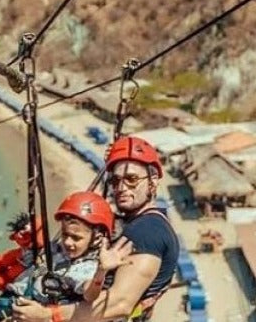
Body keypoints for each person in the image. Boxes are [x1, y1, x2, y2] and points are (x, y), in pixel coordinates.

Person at [11, 136, 179, 322]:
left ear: (153, 181)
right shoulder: (142, 223)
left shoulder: (147, 231)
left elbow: (119, 304)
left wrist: (48, 315)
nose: (121, 188)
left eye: (132, 179)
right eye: (115, 181)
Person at [0, 191, 132, 322]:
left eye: (77, 238)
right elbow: (33, 247)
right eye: (65, 234)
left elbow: (89, 295)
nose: (68, 242)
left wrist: (101, 271)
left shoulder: (87, 267)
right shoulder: (54, 248)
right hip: (10, 302)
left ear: (96, 238)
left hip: (33, 311)